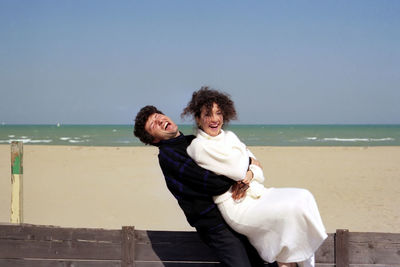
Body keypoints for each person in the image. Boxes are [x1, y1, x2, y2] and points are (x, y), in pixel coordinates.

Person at [181, 87, 328, 267]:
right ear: (198, 118)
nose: (214, 119)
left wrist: (249, 173)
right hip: (237, 205)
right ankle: (286, 261)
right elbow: (236, 169)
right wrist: (248, 164)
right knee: (290, 209)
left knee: (303, 196)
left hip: (256, 192)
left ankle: (289, 261)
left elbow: (259, 171)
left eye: (218, 113)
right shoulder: (198, 146)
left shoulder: (230, 136)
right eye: (207, 114)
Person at [133, 105, 274, 267]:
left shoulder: (192, 141)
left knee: (263, 260)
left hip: (236, 212)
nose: (160, 120)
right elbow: (213, 183)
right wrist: (243, 176)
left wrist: (247, 168)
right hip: (215, 225)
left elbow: (235, 158)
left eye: (159, 116)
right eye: (153, 125)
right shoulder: (168, 155)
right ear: (154, 139)